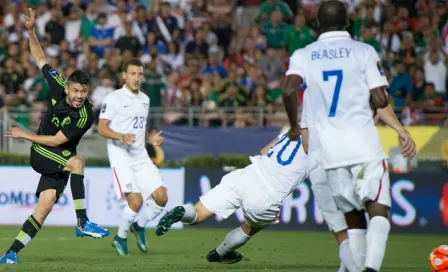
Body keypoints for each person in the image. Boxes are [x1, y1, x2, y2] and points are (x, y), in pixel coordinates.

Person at [282, 1, 416, 272]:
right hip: (363, 146)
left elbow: (288, 91)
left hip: (331, 155)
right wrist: (398, 127)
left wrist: (294, 126)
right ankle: (371, 269)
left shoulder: (303, 55)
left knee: (353, 219)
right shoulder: (364, 51)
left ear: (317, 24)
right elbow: (380, 99)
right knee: (379, 210)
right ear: (347, 23)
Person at [0, 8, 110, 265]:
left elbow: (59, 141)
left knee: (45, 206)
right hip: (42, 152)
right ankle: (82, 222)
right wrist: (30, 31)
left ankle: (10, 253)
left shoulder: (85, 115)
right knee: (78, 162)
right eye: (75, 90)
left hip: (55, 151)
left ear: (87, 91)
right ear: (67, 86)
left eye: (83, 91)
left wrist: (25, 134)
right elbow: (39, 57)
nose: (78, 96)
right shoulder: (56, 84)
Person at [154, 130, 307, 264]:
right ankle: (220, 253)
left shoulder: (295, 129)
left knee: (197, 213)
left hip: (245, 175)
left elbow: (263, 151)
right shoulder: (323, 144)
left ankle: (181, 212)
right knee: (250, 228)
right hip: (268, 193)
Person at [97, 58, 168, 256]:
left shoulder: (145, 99)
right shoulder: (113, 98)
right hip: (121, 157)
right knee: (135, 201)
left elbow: (140, 127)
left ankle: (139, 226)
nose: (137, 78)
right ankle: (120, 238)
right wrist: (120, 136)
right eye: (133, 74)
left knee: (162, 197)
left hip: (141, 156)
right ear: (124, 76)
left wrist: (150, 139)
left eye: (140, 74)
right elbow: (102, 128)